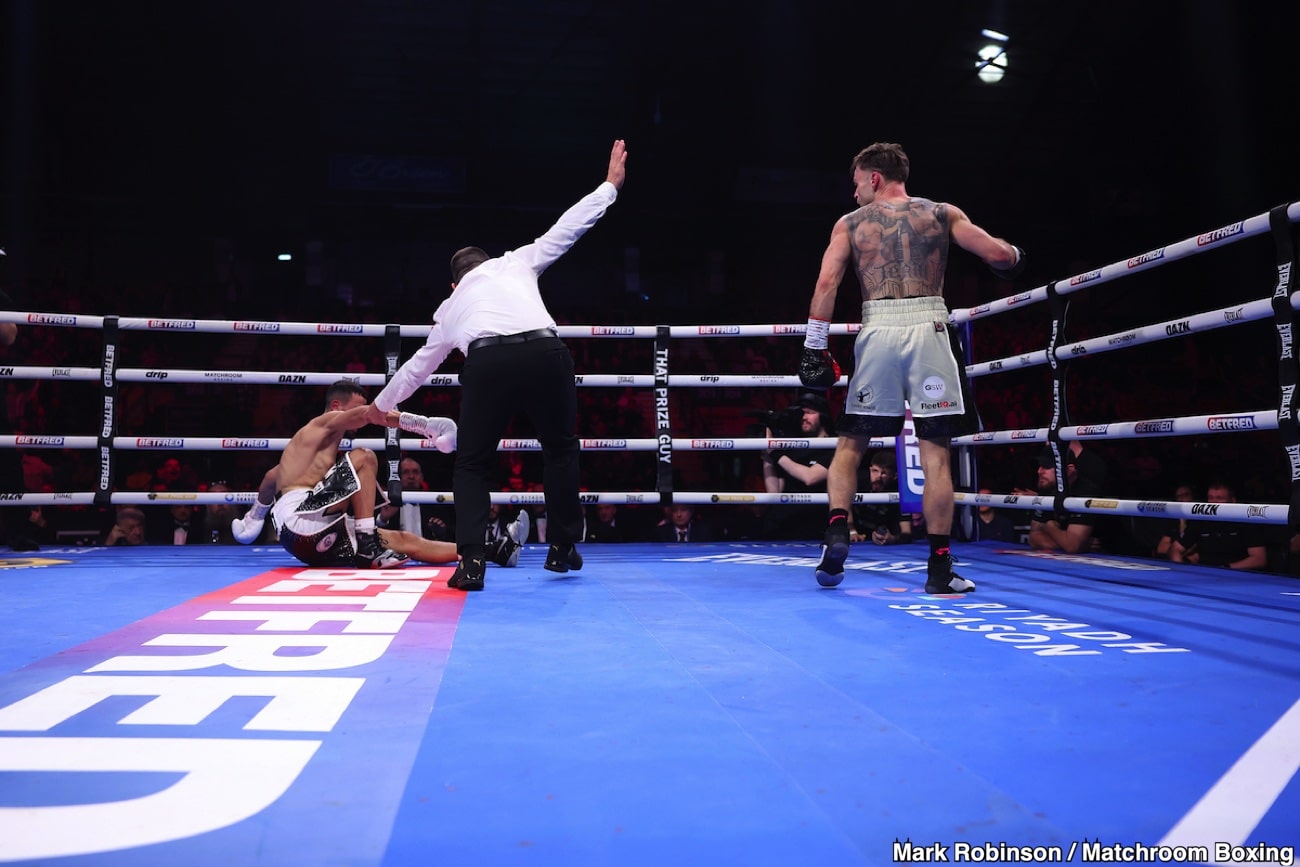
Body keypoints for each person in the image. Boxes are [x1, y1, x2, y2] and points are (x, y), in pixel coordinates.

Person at [364, 139, 628, 591]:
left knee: (472, 463)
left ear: (453, 283)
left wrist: (378, 407)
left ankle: (471, 564)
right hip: (547, 353)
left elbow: (416, 368)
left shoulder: (451, 308)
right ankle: (562, 548)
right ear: (488, 262)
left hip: (489, 362)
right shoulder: (517, 262)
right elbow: (567, 229)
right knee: (560, 448)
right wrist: (609, 187)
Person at [800, 142, 1023, 592]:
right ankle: (940, 571)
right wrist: (1014, 254)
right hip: (931, 330)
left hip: (878, 328)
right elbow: (999, 256)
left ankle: (837, 532)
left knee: (850, 445)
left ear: (875, 178)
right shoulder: (941, 213)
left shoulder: (850, 225)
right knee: (936, 452)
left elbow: (827, 282)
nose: (855, 193)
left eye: (858, 182)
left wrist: (815, 347)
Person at [231, 380, 463, 569]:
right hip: (301, 521)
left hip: (306, 541)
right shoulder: (322, 423)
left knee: (406, 541)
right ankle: (367, 544)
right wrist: (426, 425)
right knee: (364, 456)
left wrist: (254, 517)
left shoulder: (309, 450)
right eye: (355, 408)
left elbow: (272, 477)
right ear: (336, 406)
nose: (359, 418)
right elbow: (369, 414)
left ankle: (480, 549)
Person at [760, 391, 836, 540]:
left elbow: (810, 477)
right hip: (783, 522)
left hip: (814, 522)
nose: (804, 417)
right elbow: (774, 491)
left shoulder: (833, 445)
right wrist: (766, 455)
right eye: (802, 413)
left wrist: (775, 453)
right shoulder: (792, 445)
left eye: (809, 413)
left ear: (823, 415)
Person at [1016, 445, 1108, 554]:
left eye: (1047, 466)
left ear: (1069, 470)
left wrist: (1048, 526)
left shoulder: (1085, 491)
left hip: (1112, 556)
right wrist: (1078, 544)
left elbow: (1072, 546)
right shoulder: (1048, 488)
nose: (1039, 471)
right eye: (1040, 466)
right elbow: (1034, 538)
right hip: (1076, 556)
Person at [1170, 479, 1269, 571]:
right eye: (1211, 498)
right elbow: (1175, 549)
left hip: (1237, 575)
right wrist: (1182, 570)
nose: (1214, 503)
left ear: (1233, 501)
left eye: (1219, 498)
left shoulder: (1246, 522)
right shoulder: (1201, 521)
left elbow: (1259, 559)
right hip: (1204, 576)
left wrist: (1226, 568)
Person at [377, 455, 455, 542]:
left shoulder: (434, 504)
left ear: (421, 477)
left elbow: (450, 534)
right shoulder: (388, 501)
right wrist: (383, 519)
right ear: (398, 477)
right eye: (405, 472)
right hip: (395, 552)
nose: (411, 476)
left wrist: (441, 533)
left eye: (415, 472)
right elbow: (373, 534)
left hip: (427, 552)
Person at [849, 451, 913, 546]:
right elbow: (844, 504)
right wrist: (852, 532)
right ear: (870, 470)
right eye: (875, 471)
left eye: (884, 473)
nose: (878, 477)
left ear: (894, 476)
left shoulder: (900, 491)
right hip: (855, 535)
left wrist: (893, 539)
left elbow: (906, 532)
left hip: (884, 535)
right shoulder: (857, 481)